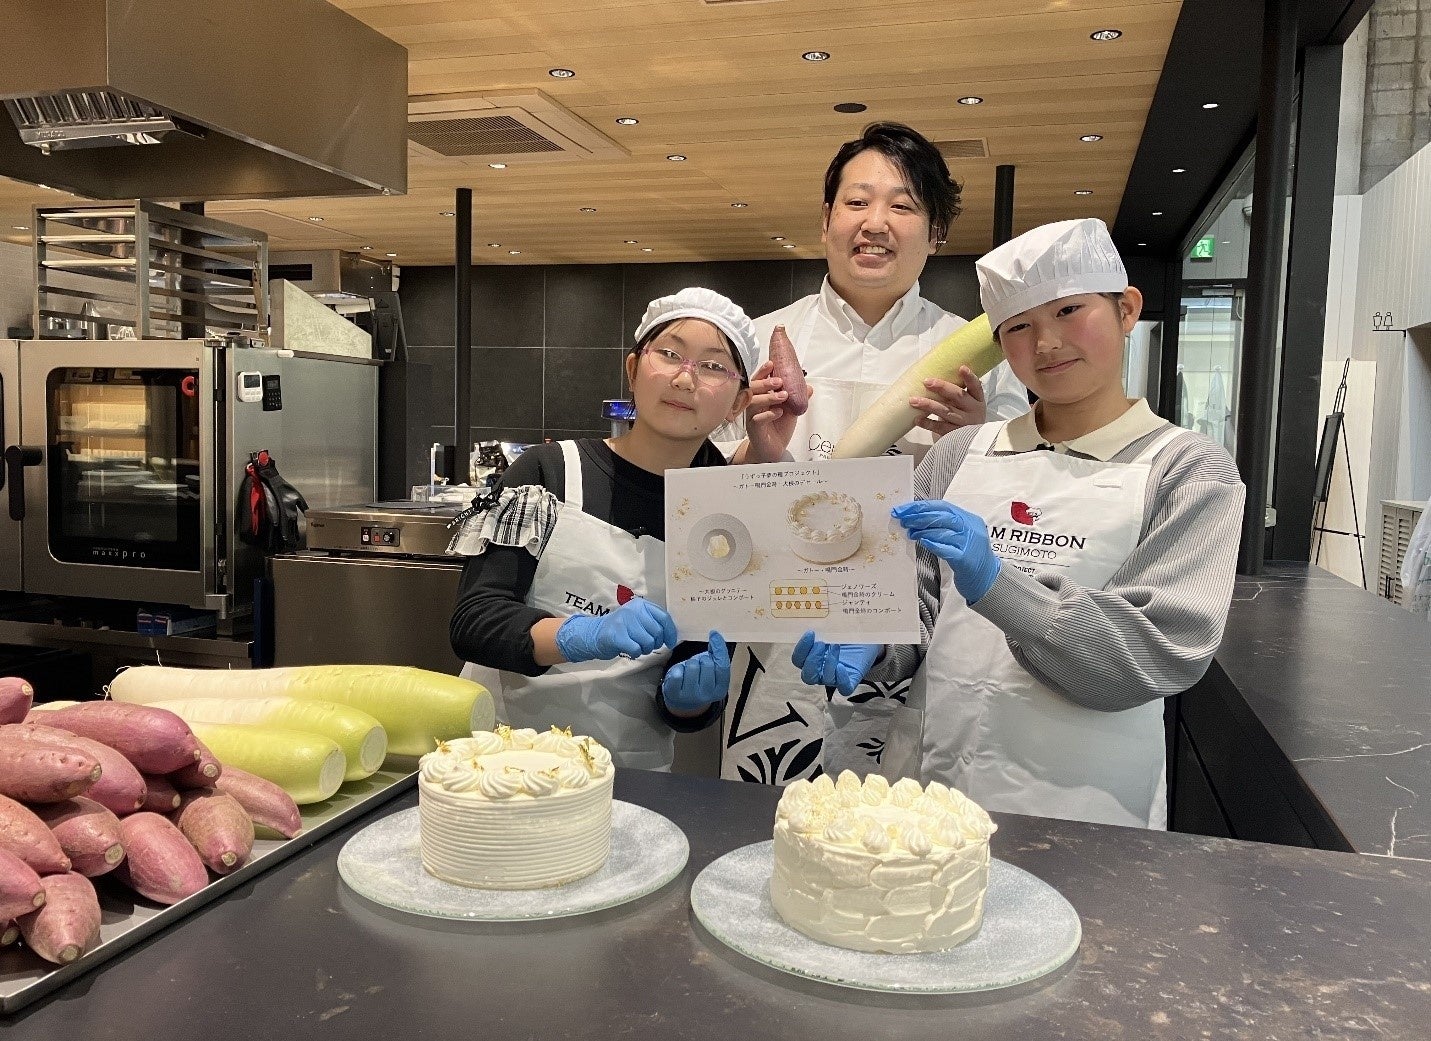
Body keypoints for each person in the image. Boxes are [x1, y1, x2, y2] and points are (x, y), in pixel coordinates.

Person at [795, 218, 1245, 828]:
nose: (1047, 343)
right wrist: (875, 641)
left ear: (1127, 309)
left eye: (1068, 311)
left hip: (1086, 801)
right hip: (933, 787)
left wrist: (998, 584)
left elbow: (1159, 651)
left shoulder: (1189, 470)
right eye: (1019, 326)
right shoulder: (959, 454)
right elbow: (919, 615)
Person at [718, 121, 1030, 785]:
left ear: (935, 233)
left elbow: (1015, 518)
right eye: (856, 202)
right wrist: (758, 451)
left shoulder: (976, 359)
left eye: (903, 206)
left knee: (898, 831)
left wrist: (973, 443)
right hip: (779, 638)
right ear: (825, 219)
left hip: (916, 648)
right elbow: (706, 513)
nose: (875, 223)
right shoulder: (759, 343)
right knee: (767, 826)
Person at [448, 288, 779, 771]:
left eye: (712, 366)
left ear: (739, 402)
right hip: (499, 760)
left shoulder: (727, 519)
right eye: (669, 354)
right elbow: (474, 622)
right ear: (633, 368)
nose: (685, 378)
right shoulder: (549, 471)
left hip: (625, 775)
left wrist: (691, 698)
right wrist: (582, 634)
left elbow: (688, 696)